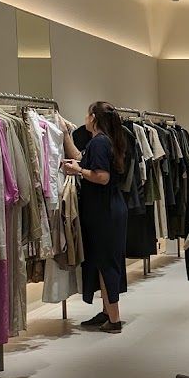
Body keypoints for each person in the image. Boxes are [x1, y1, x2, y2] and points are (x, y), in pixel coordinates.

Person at [63, 101, 129, 333]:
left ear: (93, 117)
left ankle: (114, 319)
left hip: (105, 213)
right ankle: (107, 312)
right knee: (104, 262)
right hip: (108, 210)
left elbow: (102, 177)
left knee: (106, 264)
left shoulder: (100, 142)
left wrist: (78, 171)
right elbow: (84, 157)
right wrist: (66, 136)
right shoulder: (104, 141)